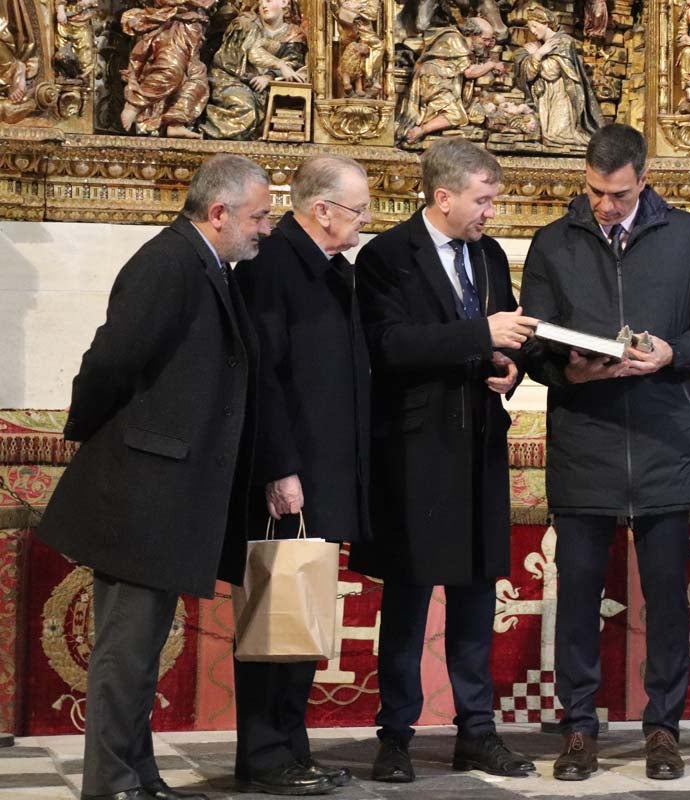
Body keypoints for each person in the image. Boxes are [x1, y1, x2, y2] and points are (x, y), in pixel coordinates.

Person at [35, 154, 273, 800]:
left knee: (141, 657)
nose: (267, 228)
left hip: (168, 495)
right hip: (143, 492)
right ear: (218, 213)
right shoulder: (168, 262)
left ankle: (137, 772)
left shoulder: (209, 266)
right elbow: (109, 361)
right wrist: (101, 439)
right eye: (259, 216)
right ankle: (110, 784)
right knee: (124, 654)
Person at [520, 123, 690, 782]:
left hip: (664, 440)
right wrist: (571, 373)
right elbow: (532, 346)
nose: (604, 207)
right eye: (594, 192)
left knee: (667, 600)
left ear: (643, 179)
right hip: (585, 441)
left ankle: (663, 727)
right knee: (578, 596)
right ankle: (579, 728)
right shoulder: (554, 241)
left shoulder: (686, 235)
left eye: (617, 194)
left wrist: (673, 354)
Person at [348, 138, 539, 784]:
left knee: (475, 598)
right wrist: (480, 335)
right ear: (443, 196)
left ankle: (477, 732)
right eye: (484, 200)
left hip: (478, 447)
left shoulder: (487, 256)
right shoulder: (386, 259)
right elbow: (389, 345)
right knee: (406, 602)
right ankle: (395, 735)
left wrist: (510, 368)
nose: (492, 211)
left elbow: (503, 336)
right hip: (414, 453)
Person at [229, 156, 374, 796]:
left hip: (325, 474)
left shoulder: (330, 270)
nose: (366, 221)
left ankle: (292, 746)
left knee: (302, 611)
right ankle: (264, 755)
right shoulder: (272, 265)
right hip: (288, 478)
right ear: (322, 210)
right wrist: (280, 467)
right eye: (357, 210)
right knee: (277, 614)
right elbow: (266, 377)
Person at [199, 0, 307, 140]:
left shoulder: (293, 33)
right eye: (261, 2)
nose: (263, 5)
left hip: (265, 85)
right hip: (229, 77)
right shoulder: (246, 23)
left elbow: (293, 62)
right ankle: (203, 129)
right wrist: (280, 65)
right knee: (245, 109)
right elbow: (252, 52)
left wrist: (269, 77)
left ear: (284, 3)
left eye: (268, 1)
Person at [396, 17, 506, 145]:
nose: (487, 43)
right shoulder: (453, 39)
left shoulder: (468, 45)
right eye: (485, 39)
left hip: (443, 82)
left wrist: (487, 54)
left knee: (453, 113)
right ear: (471, 34)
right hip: (434, 80)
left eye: (490, 40)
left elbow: (473, 62)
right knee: (456, 115)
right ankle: (419, 130)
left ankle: (424, 127)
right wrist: (491, 65)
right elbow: (469, 72)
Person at [119, 0, 214, 137]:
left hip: (193, 26)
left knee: (196, 79)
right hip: (170, 24)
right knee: (170, 69)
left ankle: (176, 123)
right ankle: (134, 105)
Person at [514, 3, 603, 148]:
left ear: (545, 23)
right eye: (530, 28)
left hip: (562, 94)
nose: (533, 31)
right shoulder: (542, 45)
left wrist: (537, 54)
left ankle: (593, 144)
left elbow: (550, 72)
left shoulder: (563, 42)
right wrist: (538, 54)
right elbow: (529, 75)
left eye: (535, 26)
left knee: (557, 134)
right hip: (547, 96)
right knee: (549, 135)